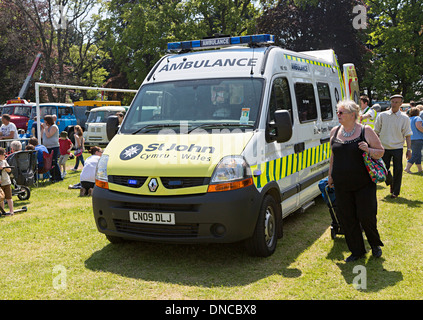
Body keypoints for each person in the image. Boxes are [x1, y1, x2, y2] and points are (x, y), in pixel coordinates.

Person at [328, 100, 385, 262]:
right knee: (347, 217)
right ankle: (357, 250)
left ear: (353, 115)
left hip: (363, 183)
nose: (338, 115)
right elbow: (333, 156)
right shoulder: (335, 131)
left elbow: (380, 151)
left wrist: (369, 149)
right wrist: (330, 176)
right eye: (337, 112)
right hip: (341, 183)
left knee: (366, 215)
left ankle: (374, 244)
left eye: (341, 112)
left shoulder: (365, 131)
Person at [374, 94, 412, 198]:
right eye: (392, 102)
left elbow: (408, 135)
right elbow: (376, 132)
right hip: (384, 147)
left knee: (398, 170)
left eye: (396, 102)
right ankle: (390, 181)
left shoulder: (404, 118)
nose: (394, 104)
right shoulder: (382, 115)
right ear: (390, 102)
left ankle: (395, 192)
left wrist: (409, 149)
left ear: (401, 104)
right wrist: (374, 146)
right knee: (383, 169)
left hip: (398, 148)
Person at [41, 115, 62, 182]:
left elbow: (49, 135)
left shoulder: (54, 127)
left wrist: (46, 129)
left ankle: (58, 177)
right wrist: (42, 129)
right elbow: (42, 136)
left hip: (54, 146)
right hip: (47, 147)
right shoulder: (46, 128)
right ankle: (52, 176)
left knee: (54, 162)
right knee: (49, 162)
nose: (44, 122)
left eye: (45, 121)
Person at [404, 107, 423, 173]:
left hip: (411, 138)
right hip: (418, 138)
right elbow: (419, 126)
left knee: (418, 154)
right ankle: (407, 168)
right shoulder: (418, 118)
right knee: (415, 154)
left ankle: (420, 169)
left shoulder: (409, 119)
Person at [0, 147, 14, 215]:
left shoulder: (4, 161)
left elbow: (9, 170)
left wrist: (5, 168)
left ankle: (11, 210)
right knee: (1, 199)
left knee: (9, 198)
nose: (5, 156)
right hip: (0, 184)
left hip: (6, 182)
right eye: (3, 155)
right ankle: (2, 211)